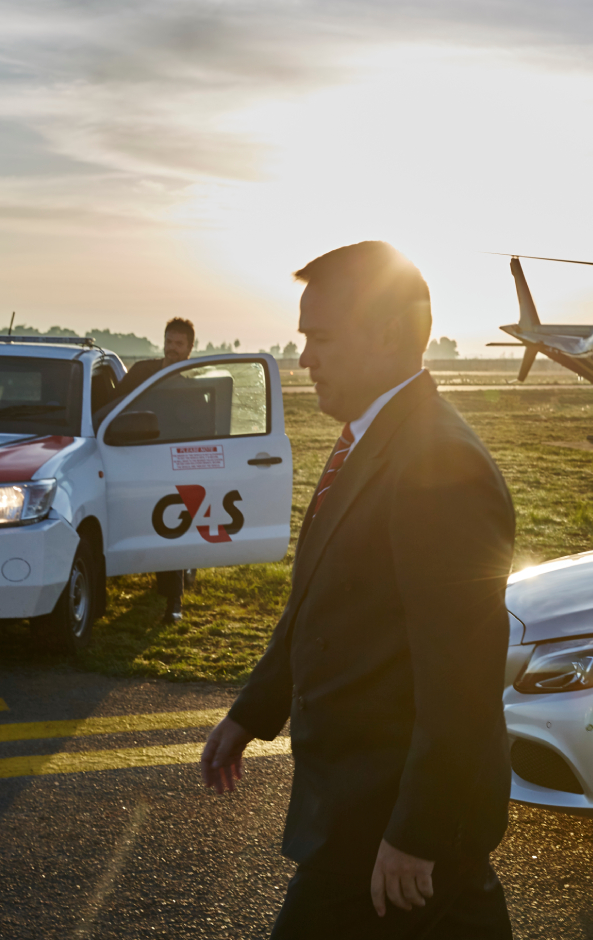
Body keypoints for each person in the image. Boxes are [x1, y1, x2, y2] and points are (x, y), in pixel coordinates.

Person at [201, 241, 516, 939]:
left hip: (389, 821)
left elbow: (463, 674)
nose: (304, 358)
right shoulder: (372, 441)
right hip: (362, 809)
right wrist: (254, 711)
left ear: (386, 335)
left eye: (321, 338)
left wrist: (419, 831)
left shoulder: (439, 465)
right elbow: (322, 598)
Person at [116, 316, 196, 623]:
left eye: (179, 344)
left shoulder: (192, 385)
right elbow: (113, 406)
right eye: (169, 341)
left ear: (189, 349)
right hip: (134, 458)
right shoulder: (141, 372)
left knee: (170, 525)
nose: (172, 348)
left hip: (173, 464)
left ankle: (173, 600)